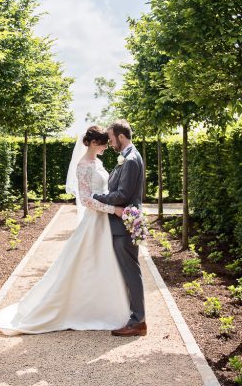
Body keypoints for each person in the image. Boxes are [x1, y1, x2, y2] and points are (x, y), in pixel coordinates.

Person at [0, 125, 130, 335]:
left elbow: (104, 190)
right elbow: (85, 200)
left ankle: (105, 307)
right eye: (103, 143)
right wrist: (113, 209)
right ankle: (83, 310)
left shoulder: (98, 162)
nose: (106, 147)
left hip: (105, 221)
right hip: (95, 221)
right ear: (92, 143)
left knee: (104, 263)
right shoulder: (83, 166)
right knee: (88, 263)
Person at [93, 119, 147, 337]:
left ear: (121, 137)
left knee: (131, 271)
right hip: (121, 223)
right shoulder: (127, 157)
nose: (110, 141)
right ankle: (134, 317)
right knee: (127, 271)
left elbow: (122, 195)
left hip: (124, 223)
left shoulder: (131, 160)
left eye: (112, 137)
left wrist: (96, 197)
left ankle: (138, 322)